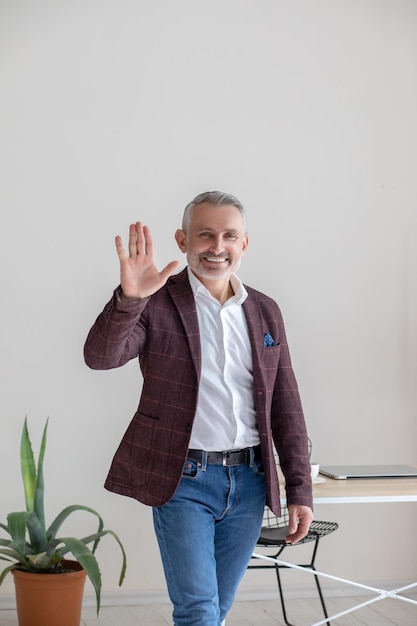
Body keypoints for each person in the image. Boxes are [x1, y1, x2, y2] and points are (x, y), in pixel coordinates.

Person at [84, 191, 313, 626]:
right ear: (182, 240)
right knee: (198, 611)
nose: (217, 246)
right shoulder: (155, 301)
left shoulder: (265, 311)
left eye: (229, 235)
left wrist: (299, 487)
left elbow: (286, 403)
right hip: (184, 480)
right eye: (205, 234)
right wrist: (130, 300)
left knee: (216, 610)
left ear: (244, 244)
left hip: (249, 483)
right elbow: (101, 357)